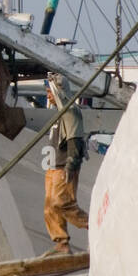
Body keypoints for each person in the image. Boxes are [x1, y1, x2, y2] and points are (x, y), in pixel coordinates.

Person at [43, 75, 89, 254]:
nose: (48, 96)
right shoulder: (58, 113)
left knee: (62, 203)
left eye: (49, 92)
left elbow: (75, 137)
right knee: (49, 208)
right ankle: (62, 243)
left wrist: (71, 163)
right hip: (53, 167)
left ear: (58, 91)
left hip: (64, 167)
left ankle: (94, 225)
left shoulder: (70, 111)